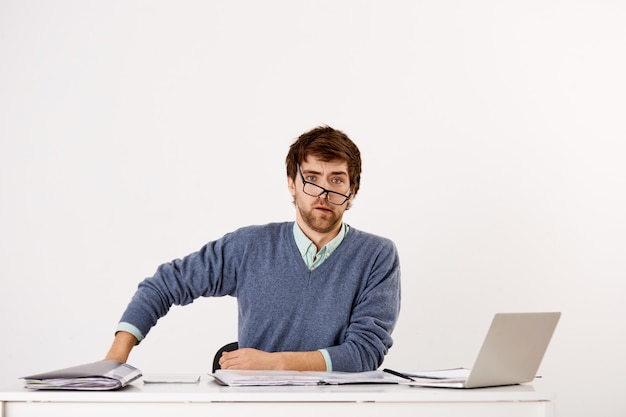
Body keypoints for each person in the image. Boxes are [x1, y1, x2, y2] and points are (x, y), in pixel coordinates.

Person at [105, 125, 401, 372]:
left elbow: (364, 353)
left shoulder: (376, 256)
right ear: (292, 184)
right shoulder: (249, 247)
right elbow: (164, 285)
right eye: (311, 179)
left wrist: (275, 362)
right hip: (256, 405)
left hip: (337, 409)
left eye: (336, 180)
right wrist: (113, 364)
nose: (323, 194)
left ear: (352, 192)